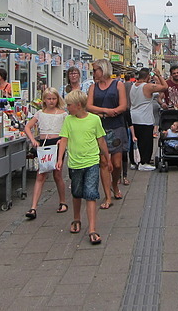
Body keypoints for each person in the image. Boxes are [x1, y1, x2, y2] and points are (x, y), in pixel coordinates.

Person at [56, 90, 111, 245]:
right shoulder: (68, 120)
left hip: (92, 161)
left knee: (91, 193)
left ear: (78, 106)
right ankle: (76, 218)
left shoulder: (94, 120)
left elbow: (101, 141)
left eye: (69, 105)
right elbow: (64, 140)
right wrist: (60, 159)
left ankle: (92, 228)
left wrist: (107, 158)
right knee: (76, 193)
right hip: (74, 163)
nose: (67, 108)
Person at [86, 59, 128, 209]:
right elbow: (89, 106)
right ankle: (107, 197)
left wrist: (113, 111)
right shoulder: (93, 87)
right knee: (103, 163)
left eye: (95, 70)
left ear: (103, 70)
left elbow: (123, 105)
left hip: (116, 126)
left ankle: (114, 184)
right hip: (99, 128)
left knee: (116, 164)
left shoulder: (118, 85)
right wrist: (106, 111)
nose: (94, 73)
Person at [23, 88, 68, 220]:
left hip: (57, 144)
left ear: (57, 99)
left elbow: (67, 130)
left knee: (57, 174)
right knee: (41, 174)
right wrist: (33, 140)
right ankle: (33, 207)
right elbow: (27, 127)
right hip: (44, 144)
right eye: (49, 99)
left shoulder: (62, 114)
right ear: (44, 100)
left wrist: (63, 139)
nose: (51, 101)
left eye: (53, 99)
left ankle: (63, 201)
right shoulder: (40, 113)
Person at [129, 68, 168, 172]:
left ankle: (134, 162)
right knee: (146, 142)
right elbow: (165, 87)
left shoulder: (134, 86)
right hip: (144, 118)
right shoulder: (147, 86)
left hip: (133, 117)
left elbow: (156, 95)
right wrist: (159, 75)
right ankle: (144, 162)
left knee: (135, 141)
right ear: (147, 77)